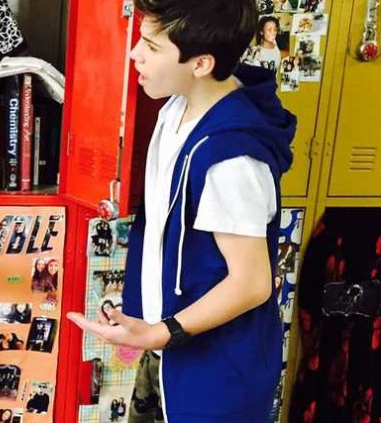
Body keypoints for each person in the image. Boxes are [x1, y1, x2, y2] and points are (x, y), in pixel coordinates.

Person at [67, 0, 296, 422]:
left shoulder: (231, 160)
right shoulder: (176, 107)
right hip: (168, 350)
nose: (134, 54)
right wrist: (147, 322)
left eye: (152, 47)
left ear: (201, 64)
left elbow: (251, 283)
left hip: (216, 372)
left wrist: (163, 331)